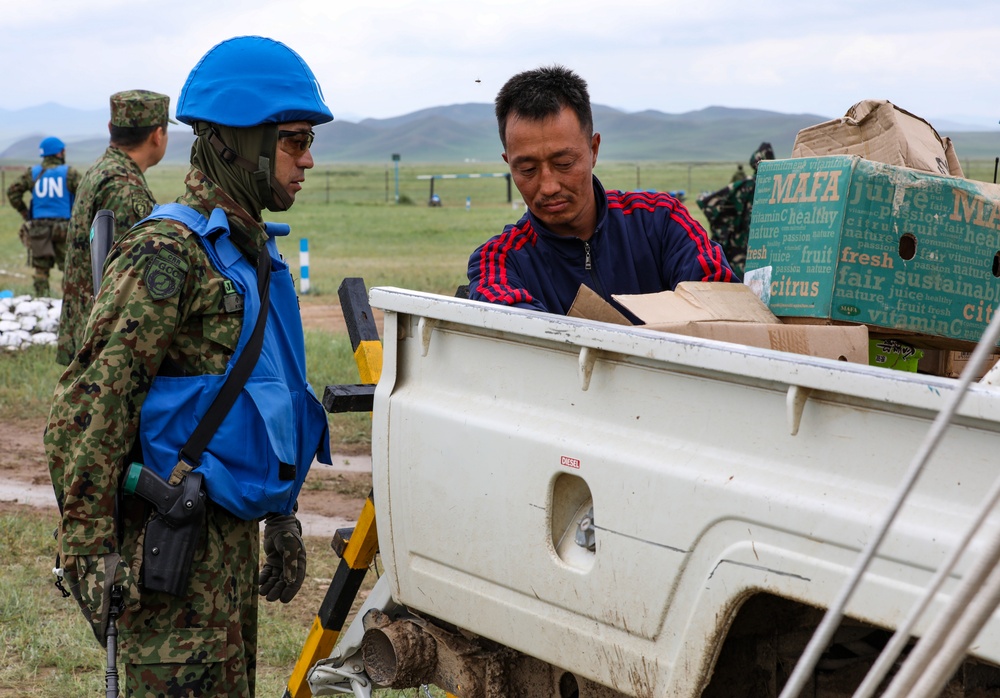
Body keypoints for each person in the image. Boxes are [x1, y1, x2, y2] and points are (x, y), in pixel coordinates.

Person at [44, 35, 334, 696]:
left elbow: (264, 397)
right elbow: (88, 409)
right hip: (171, 554)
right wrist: (89, 549)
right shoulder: (168, 253)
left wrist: (281, 513)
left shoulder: (243, 251)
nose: (308, 159)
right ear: (238, 141)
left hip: (224, 549)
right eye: (293, 140)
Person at [467, 65, 736, 321]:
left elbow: (723, 306)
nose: (548, 186)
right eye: (527, 169)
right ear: (508, 163)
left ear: (593, 149)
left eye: (564, 164)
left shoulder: (661, 221)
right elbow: (525, 337)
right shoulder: (499, 260)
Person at [55, 89, 174, 366]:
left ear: (111, 127)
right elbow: (130, 279)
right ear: (158, 135)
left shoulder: (101, 169)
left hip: (88, 324)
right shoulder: (124, 187)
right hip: (106, 340)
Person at [6, 136, 80, 297]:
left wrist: (25, 213)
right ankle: (67, 304)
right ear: (59, 153)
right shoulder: (70, 173)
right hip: (64, 227)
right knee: (69, 269)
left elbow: (12, 192)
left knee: (41, 270)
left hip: (39, 228)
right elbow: (85, 194)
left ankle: (42, 302)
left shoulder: (32, 173)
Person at [696, 142, 775, 275]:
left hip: (741, 241)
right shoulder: (778, 184)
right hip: (764, 243)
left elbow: (712, 203)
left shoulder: (746, 185)